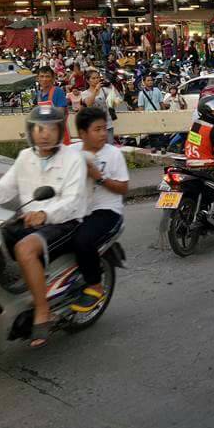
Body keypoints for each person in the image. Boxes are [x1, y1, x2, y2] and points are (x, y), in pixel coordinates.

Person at [0, 106, 87, 348]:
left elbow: (73, 200)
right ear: (31, 130)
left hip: (65, 222)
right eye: (39, 128)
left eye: (51, 128)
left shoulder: (73, 159)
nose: (45, 134)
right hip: (30, 219)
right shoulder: (25, 157)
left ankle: (43, 312)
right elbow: (0, 191)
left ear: (59, 130)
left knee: (24, 249)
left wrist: (45, 213)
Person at [69, 107, 128, 313]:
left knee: (82, 241)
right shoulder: (71, 152)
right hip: (76, 209)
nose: (103, 133)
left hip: (106, 210)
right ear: (83, 133)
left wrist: (99, 177)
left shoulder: (113, 155)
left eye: (104, 128)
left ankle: (95, 285)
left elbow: (123, 188)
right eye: (97, 129)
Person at [35, 66, 71, 144]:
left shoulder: (58, 91)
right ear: (37, 78)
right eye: (42, 76)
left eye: (47, 76)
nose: (44, 79)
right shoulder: (39, 94)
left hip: (60, 136)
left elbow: (60, 114)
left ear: (53, 78)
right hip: (46, 137)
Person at [81, 70, 118, 144]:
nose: (96, 80)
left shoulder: (104, 90)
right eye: (93, 78)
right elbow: (89, 103)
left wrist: (111, 86)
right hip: (93, 126)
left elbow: (117, 99)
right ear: (88, 80)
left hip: (107, 124)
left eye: (97, 78)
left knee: (109, 147)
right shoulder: (84, 93)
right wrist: (96, 90)